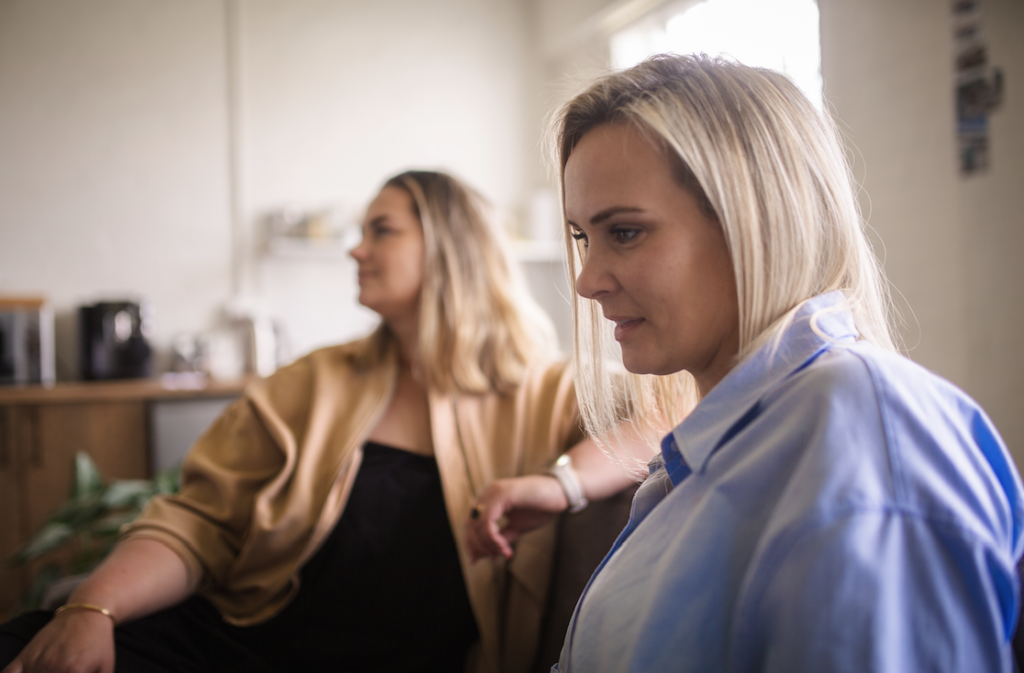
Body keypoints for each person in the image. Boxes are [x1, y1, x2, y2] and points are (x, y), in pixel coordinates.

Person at [0, 170, 635, 673]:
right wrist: (92, 609)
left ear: (451, 246)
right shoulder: (315, 381)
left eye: (381, 231)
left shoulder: (545, 389)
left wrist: (559, 484)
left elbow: (664, 413)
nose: (356, 249)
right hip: (231, 645)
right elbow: (198, 521)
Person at [541, 54, 1024, 672]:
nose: (586, 281)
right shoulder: (732, 442)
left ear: (757, 222)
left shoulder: (861, 441)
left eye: (625, 233)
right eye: (583, 237)